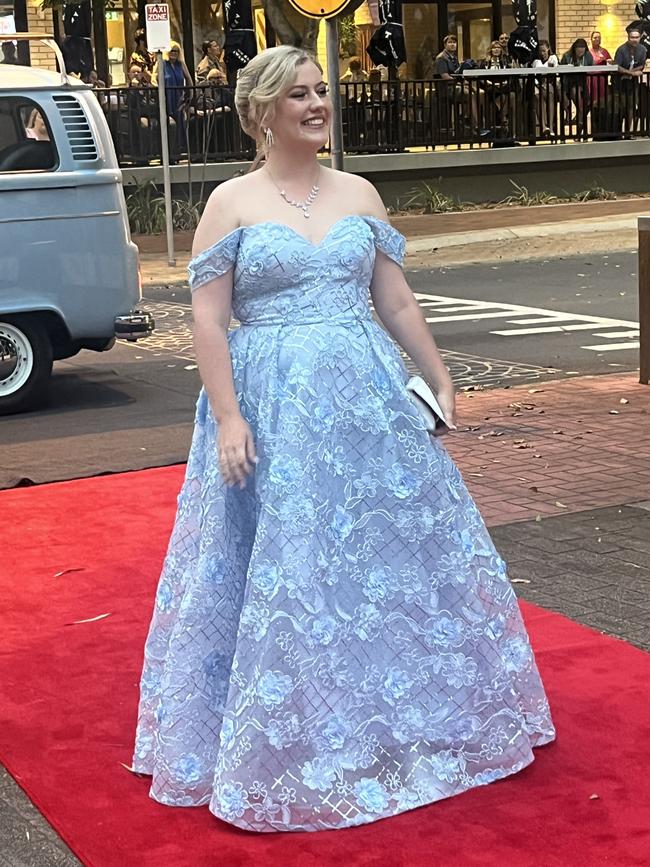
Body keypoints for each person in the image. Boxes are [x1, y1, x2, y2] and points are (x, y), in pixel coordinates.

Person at [131, 44, 555, 833]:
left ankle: (403, 710)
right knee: (282, 567)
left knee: (382, 557)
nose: (319, 104)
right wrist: (228, 415)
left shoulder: (360, 192)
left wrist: (438, 375)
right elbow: (208, 319)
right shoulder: (231, 203)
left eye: (322, 90)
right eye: (299, 95)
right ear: (263, 112)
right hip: (270, 404)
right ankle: (288, 729)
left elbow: (394, 301)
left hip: (363, 401)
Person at [614, 26, 647, 135]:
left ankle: (629, 131)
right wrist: (631, 73)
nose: (634, 39)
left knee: (632, 106)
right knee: (621, 107)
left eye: (637, 37)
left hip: (633, 83)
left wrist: (632, 73)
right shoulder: (621, 49)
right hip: (620, 82)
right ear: (628, 38)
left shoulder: (642, 49)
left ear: (640, 37)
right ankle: (618, 132)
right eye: (632, 37)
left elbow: (642, 65)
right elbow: (617, 66)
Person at [560, 38, 593, 136]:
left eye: (583, 49)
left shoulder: (588, 56)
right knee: (576, 92)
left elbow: (592, 67)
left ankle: (579, 124)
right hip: (569, 83)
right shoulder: (567, 56)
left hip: (583, 82)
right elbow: (562, 72)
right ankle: (580, 120)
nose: (581, 51)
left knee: (587, 104)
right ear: (574, 48)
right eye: (579, 49)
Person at [532, 40, 559, 135]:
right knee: (537, 96)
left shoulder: (553, 58)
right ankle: (543, 126)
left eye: (544, 50)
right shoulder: (536, 61)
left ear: (548, 49)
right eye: (540, 51)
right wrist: (539, 85)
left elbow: (556, 73)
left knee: (550, 93)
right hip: (538, 84)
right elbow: (534, 76)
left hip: (550, 83)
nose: (542, 53)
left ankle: (551, 127)